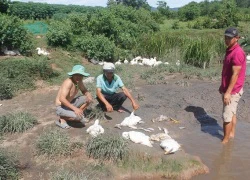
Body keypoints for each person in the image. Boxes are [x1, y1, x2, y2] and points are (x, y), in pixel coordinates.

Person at [219, 27, 246, 144]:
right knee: (232, 113)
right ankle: (231, 134)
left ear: (236, 38)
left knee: (226, 117)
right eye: (226, 37)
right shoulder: (230, 49)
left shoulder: (237, 52)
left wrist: (228, 93)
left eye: (229, 38)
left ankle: (224, 142)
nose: (227, 40)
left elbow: (235, 74)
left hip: (233, 91)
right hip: (229, 88)